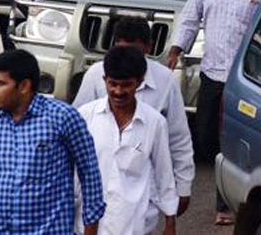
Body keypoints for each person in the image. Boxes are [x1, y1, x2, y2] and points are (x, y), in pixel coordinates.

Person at [166, 0, 261, 226]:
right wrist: (176, 50)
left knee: (235, 141)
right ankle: (222, 189)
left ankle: (227, 204)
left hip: (246, 80)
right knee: (206, 137)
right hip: (212, 74)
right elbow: (189, 19)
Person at [72, 17, 193, 216]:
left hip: (142, 195)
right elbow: (75, 130)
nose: (118, 91)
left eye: (133, 50)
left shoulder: (165, 81)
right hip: (97, 185)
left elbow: (178, 138)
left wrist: (183, 187)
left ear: (148, 47)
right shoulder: (95, 74)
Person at [0, 49, 105, 235]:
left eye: (0, 83)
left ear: (24, 86)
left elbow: (89, 173)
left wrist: (90, 227)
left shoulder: (62, 117)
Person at [78, 46, 178, 235]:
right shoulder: (85, 117)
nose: (118, 91)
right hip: (88, 226)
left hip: (134, 225)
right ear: (104, 80)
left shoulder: (155, 123)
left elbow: (164, 175)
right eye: (112, 84)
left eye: (126, 85)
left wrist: (170, 224)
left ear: (139, 83)